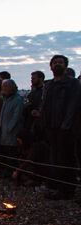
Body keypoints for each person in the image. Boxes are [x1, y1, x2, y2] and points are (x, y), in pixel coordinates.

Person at [36, 55, 80, 200]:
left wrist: (66, 125)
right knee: (55, 157)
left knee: (67, 158)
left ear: (66, 66)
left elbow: (73, 105)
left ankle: (67, 189)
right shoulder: (49, 85)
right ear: (51, 66)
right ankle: (58, 186)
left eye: (60, 62)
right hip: (51, 126)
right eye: (55, 62)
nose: (57, 65)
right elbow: (45, 105)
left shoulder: (73, 83)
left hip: (65, 128)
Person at [0, 79, 23, 175]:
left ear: (10, 88)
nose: (2, 89)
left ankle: (12, 172)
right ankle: (6, 170)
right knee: (5, 152)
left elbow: (16, 116)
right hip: (3, 130)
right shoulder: (5, 99)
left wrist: (8, 129)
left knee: (12, 153)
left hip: (11, 132)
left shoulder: (17, 100)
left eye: (4, 87)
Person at [23, 71, 44, 136]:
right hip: (30, 122)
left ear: (40, 79)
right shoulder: (32, 93)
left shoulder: (44, 92)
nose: (32, 80)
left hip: (39, 124)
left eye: (33, 79)